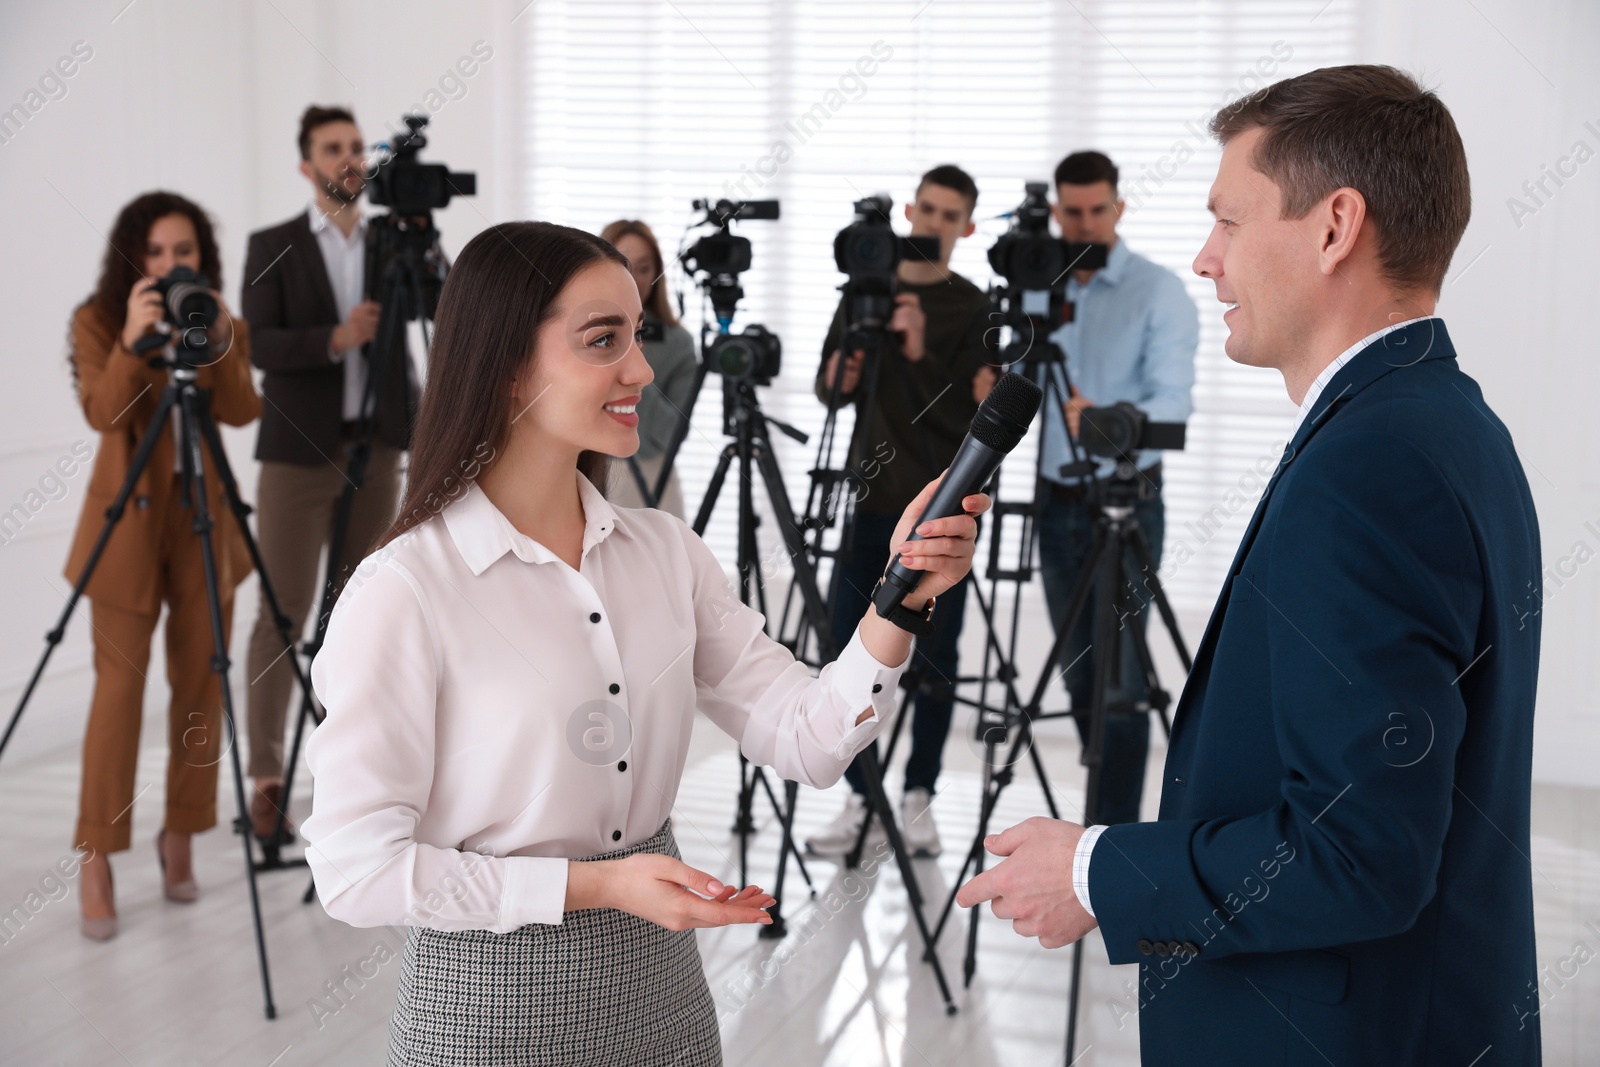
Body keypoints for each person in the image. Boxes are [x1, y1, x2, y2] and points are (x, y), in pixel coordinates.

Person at [959, 66, 1543, 1065]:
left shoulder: (1372, 461)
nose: (1204, 258)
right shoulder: (1442, 419)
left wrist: (1096, 869)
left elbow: (1359, 852)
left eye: (1229, 221)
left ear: (1332, 227)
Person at [299, 221, 989, 1065]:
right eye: (603, 339)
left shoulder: (665, 551)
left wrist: (901, 598)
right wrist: (598, 885)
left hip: (662, 993)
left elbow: (810, 739)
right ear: (507, 359)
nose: (642, 369)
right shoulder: (405, 589)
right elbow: (356, 869)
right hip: (486, 1007)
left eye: (636, 333)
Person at [64, 191, 261, 940]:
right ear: (133, 260)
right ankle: (97, 854)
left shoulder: (213, 313)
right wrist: (132, 339)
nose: (171, 265)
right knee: (119, 692)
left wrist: (211, 339)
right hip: (125, 530)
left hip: (201, 522)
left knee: (203, 680)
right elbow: (102, 411)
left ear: (202, 258)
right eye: (156, 252)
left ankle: (180, 832)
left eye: (184, 252)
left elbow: (244, 410)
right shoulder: (96, 320)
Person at [986, 149, 1198, 828]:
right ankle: (1093, 830)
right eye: (1070, 212)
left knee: (1122, 685)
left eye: (1095, 211)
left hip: (1126, 504)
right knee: (1079, 673)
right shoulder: (1034, 287)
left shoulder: (1159, 291)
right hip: (1055, 504)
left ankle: (1114, 841)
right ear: (1055, 212)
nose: (1082, 225)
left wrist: (1105, 424)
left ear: (1118, 208)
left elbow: (1173, 412)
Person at [804, 164, 992, 861]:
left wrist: (915, 353)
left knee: (936, 659)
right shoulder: (864, 290)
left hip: (943, 507)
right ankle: (862, 799)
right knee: (851, 650)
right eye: (929, 210)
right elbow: (830, 390)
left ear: (967, 226)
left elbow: (975, 417)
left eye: (951, 216)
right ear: (910, 209)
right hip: (867, 503)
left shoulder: (972, 307)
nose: (934, 224)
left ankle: (917, 799)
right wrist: (848, 365)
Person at [240, 105, 415, 846]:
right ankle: (267, 779)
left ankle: (351, 779)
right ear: (306, 163)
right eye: (331, 148)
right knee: (281, 614)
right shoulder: (273, 244)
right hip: (294, 455)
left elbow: (443, 310)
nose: (347, 158)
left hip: (376, 450)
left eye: (355, 147)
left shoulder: (394, 243)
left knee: (363, 617)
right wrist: (336, 337)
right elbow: (259, 344)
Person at [599, 219, 696, 518]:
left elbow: (670, 434)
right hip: (588, 474)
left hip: (652, 478)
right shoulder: (579, 335)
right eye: (623, 266)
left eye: (643, 268)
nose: (634, 279)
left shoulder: (677, 342)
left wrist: (629, 359)